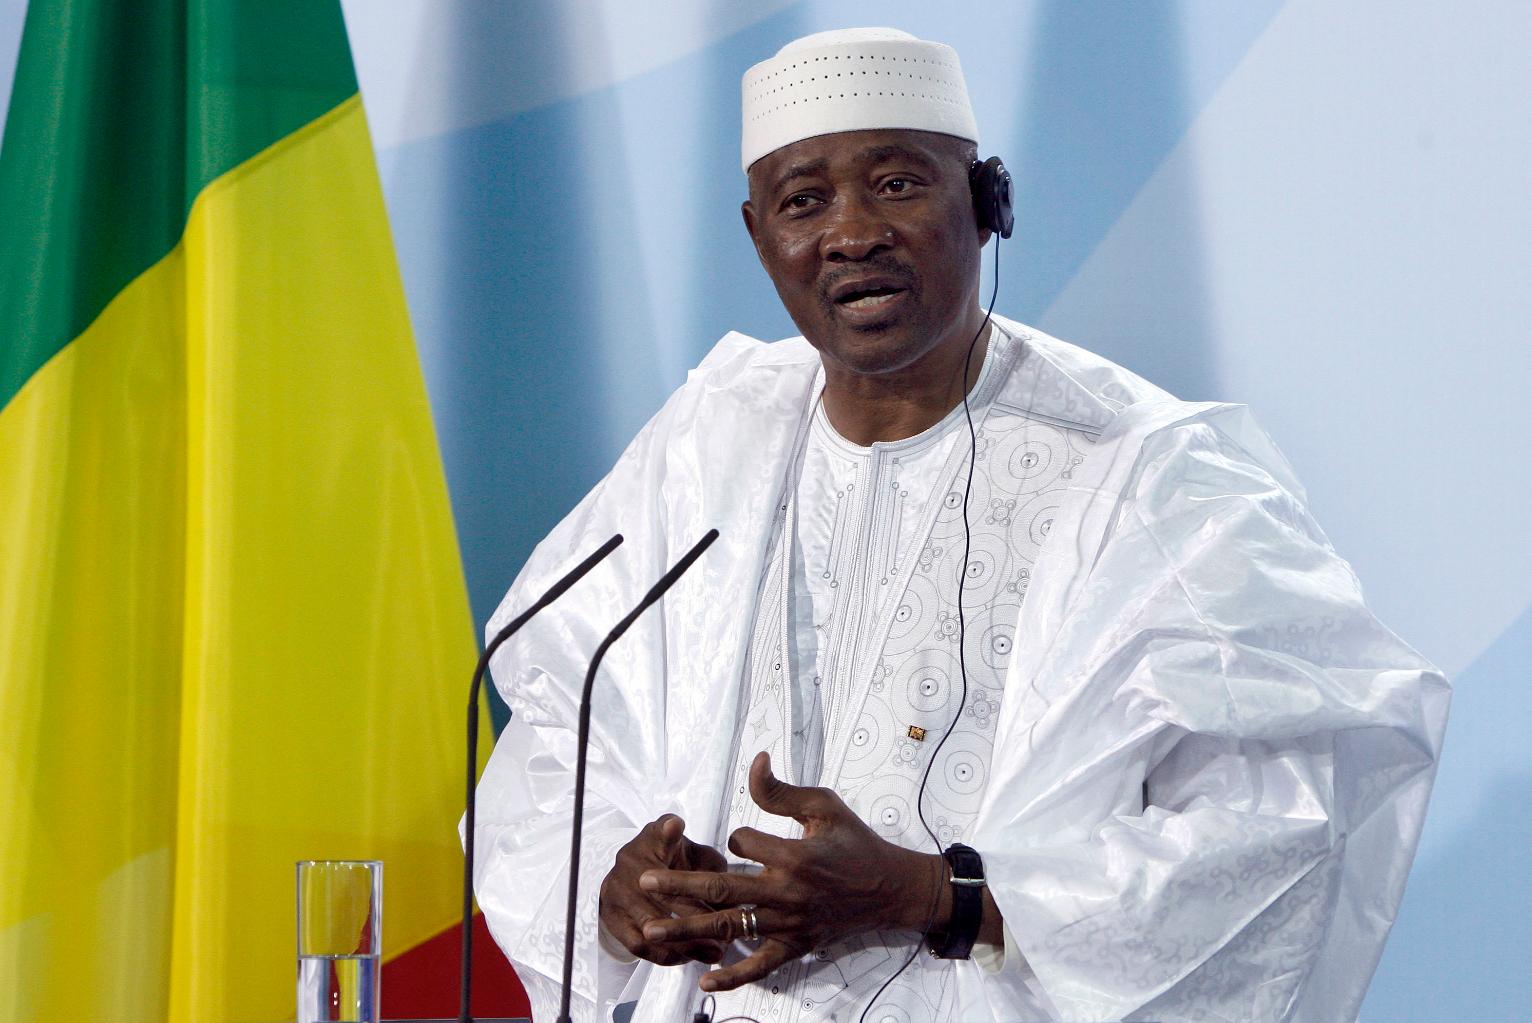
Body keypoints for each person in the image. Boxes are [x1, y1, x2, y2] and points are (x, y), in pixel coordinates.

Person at [468, 27, 1448, 1023]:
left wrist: (936, 895)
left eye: (896, 185)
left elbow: (1281, 833)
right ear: (758, 237)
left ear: (986, 206)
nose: (851, 234)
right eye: (804, 202)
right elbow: (555, 742)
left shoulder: (1153, 479)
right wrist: (614, 888)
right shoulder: (707, 446)